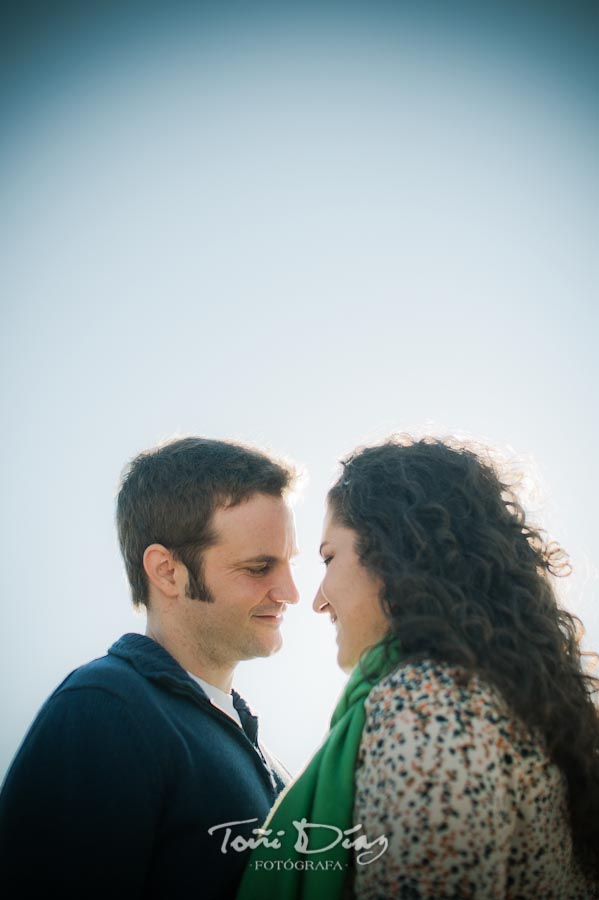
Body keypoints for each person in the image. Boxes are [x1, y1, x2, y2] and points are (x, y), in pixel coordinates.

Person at [236, 435, 599, 900]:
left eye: (330, 557)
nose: (317, 601)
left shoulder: (428, 702)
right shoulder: (497, 700)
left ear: (395, 550)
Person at [0, 436, 300, 900]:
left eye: (288, 564)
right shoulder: (103, 710)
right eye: (259, 567)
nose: (289, 591)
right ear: (166, 571)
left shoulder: (271, 762)